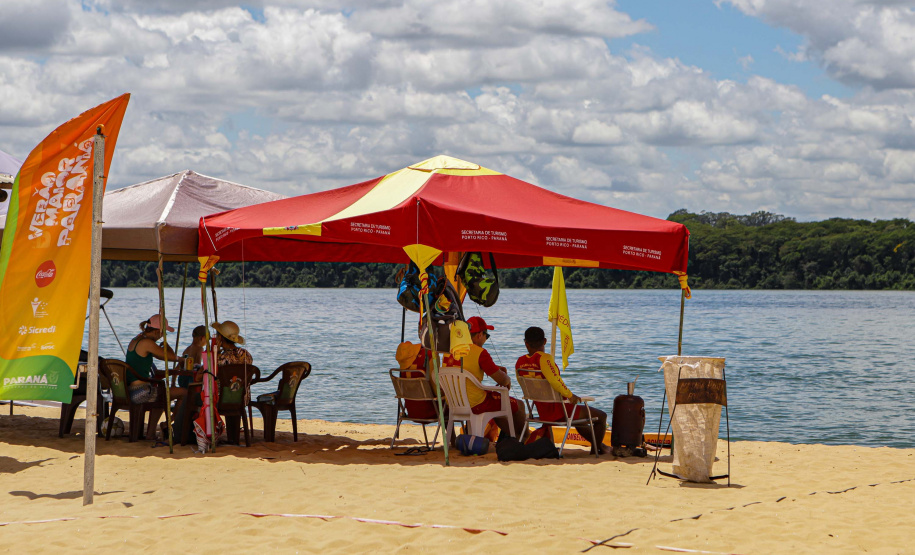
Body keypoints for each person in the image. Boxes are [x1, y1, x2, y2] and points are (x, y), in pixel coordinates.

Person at [515, 326, 609, 454]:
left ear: (526, 343)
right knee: (601, 416)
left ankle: (600, 446)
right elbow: (556, 382)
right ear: (545, 341)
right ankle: (596, 450)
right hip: (558, 411)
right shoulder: (545, 359)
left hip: (542, 411)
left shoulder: (519, 363)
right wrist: (571, 396)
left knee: (579, 420)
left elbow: (524, 386)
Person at [442, 316, 526, 439]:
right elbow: (502, 380)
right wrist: (507, 379)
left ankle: (513, 435)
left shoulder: (450, 350)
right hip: (476, 403)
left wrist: (494, 368)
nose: (486, 339)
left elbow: (464, 366)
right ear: (480, 334)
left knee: (498, 402)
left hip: (453, 403)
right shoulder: (480, 353)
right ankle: (522, 437)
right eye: (487, 335)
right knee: (518, 404)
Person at [125, 314, 187, 406]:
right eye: (163, 333)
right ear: (157, 331)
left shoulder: (137, 339)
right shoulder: (147, 343)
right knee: (184, 392)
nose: (162, 336)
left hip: (129, 390)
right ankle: (176, 420)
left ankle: (157, 421)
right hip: (140, 392)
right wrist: (182, 359)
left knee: (165, 396)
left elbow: (164, 356)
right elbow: (169, 357)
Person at [395, 341, 438, 420]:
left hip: (412, 411)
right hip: (430, 411)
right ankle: (451, 432)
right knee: (449, 405)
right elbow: (435, 388)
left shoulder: (402, 363)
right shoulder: (429, 354)